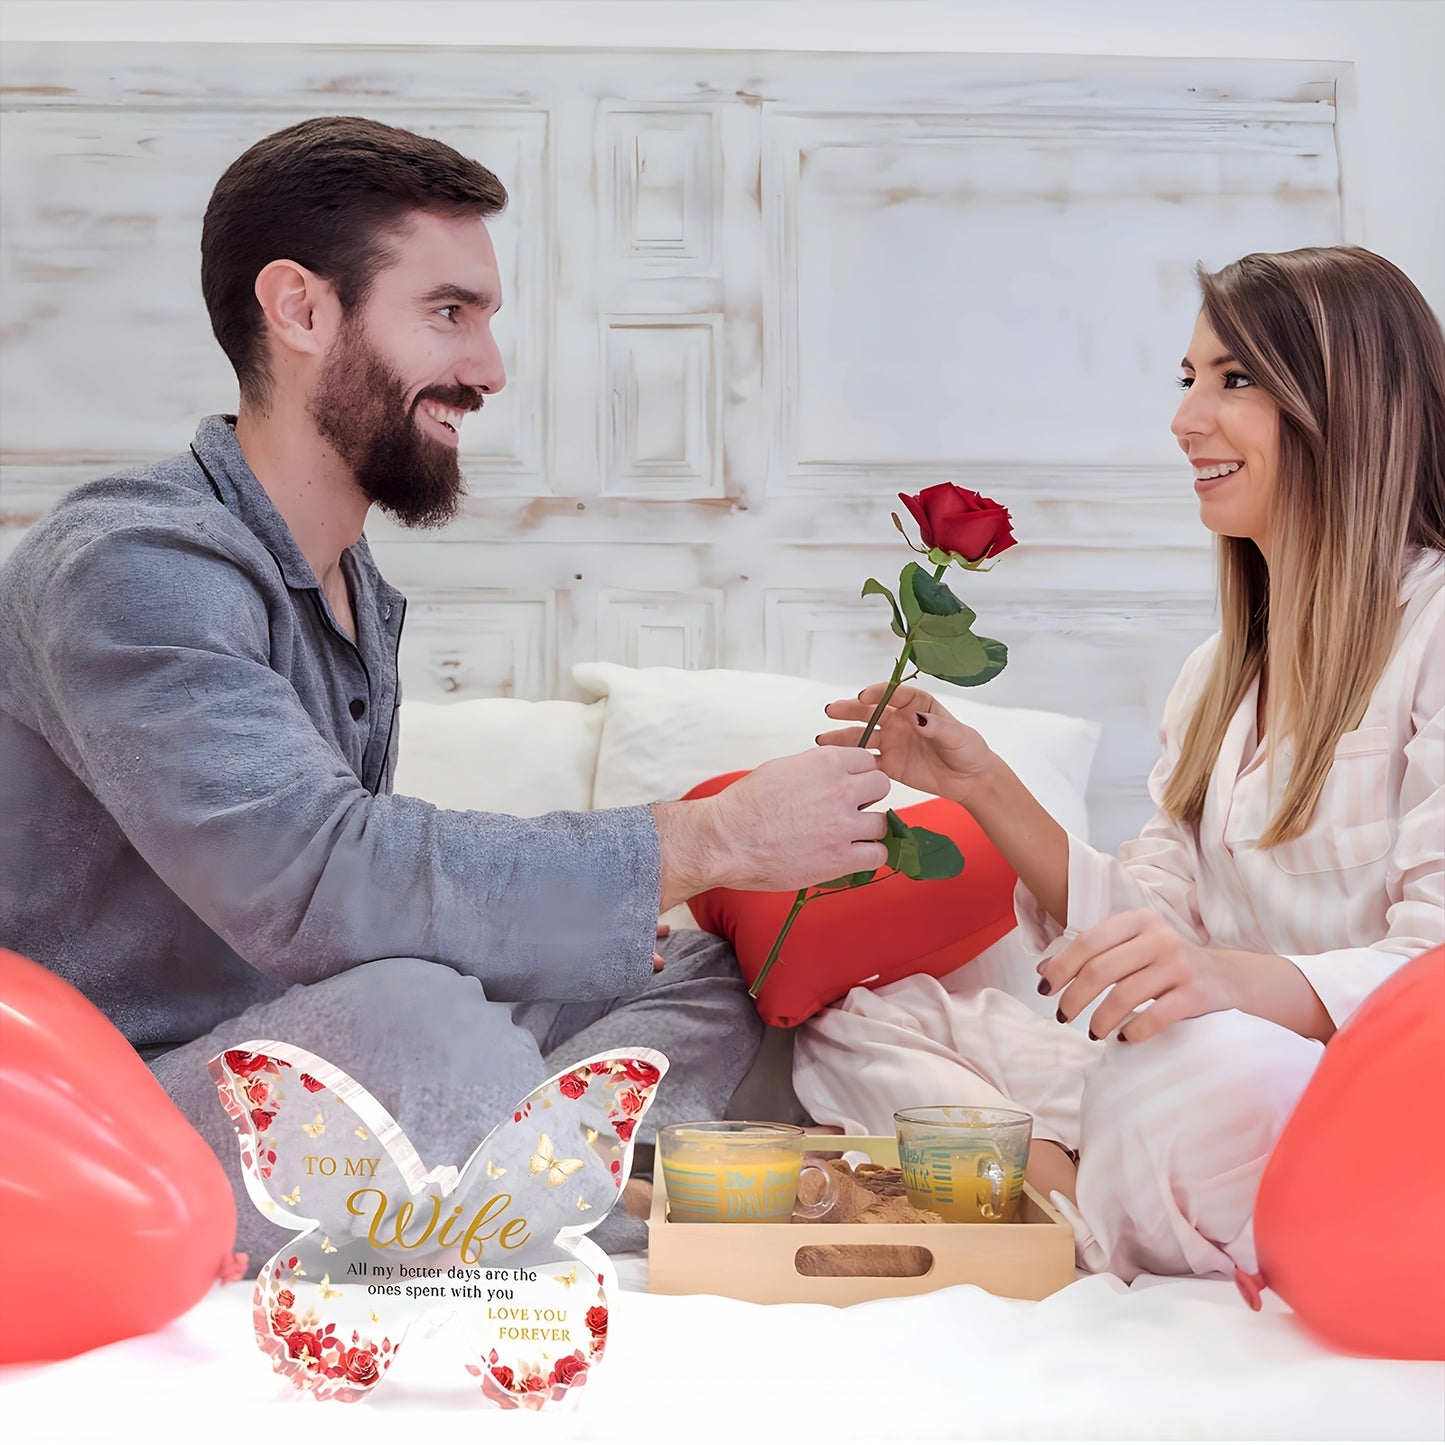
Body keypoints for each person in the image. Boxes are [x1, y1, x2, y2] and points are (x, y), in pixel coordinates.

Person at [0, 116, 892, 1263]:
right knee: (420, 1020)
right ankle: (568, 1186)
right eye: (447, 312)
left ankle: (562, 1170)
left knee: (692, 958)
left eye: (484, 318)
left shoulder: (353, 586)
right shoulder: (132, 566)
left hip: (292, 1036)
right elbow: (315, 880)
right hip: (104, 1122)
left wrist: (652, 894)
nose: (487, 368)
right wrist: (707, 832)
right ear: (301, 309)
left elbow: (364, 913)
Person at [807, 245, 1445, 1281]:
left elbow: (1432, 974)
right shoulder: (1213, 677)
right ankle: (1070, 1188)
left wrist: (1217, 984)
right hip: (1188, 1069)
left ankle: (1065, 1195)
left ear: (1349, 402)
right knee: (864, 1023)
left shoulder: (1433, 631)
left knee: (1193, 1070)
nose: (1185, 418)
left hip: (1348, 1097)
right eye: (1188, 378)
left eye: (1232, 379)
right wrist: (978, 781)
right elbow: (1150, 924)